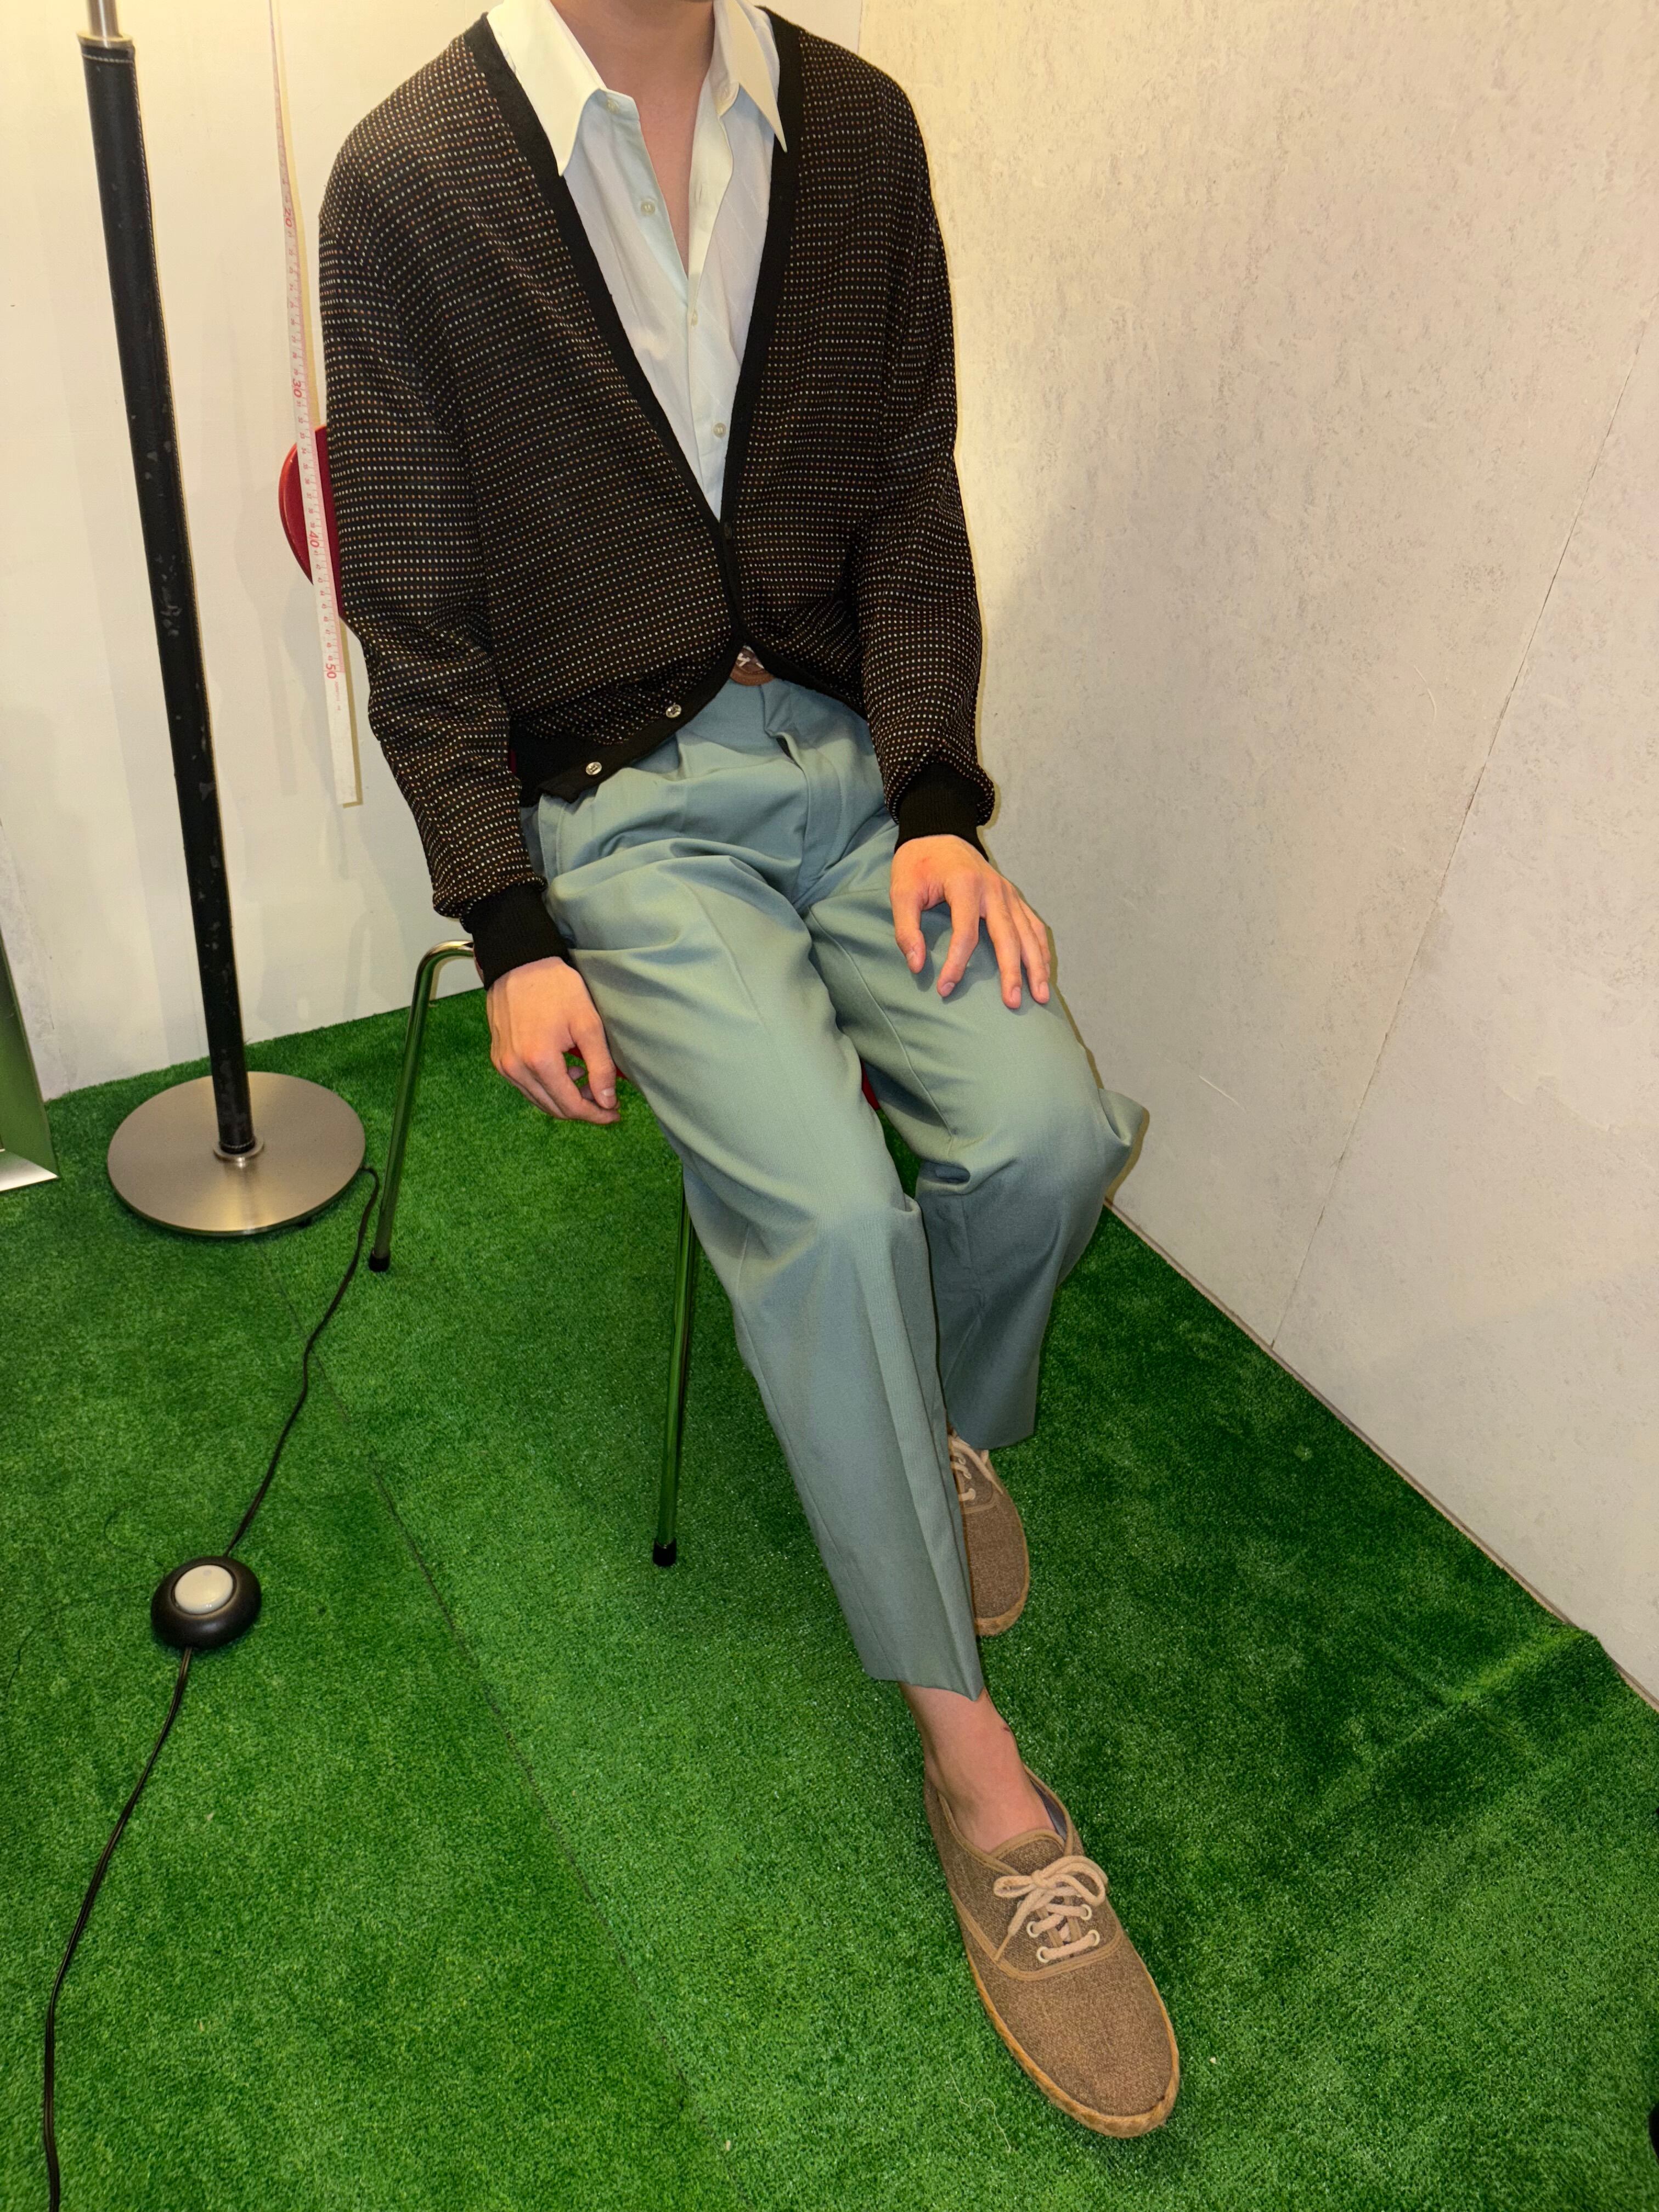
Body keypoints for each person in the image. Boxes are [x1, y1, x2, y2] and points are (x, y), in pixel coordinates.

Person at [319, 0, 1177, 2134]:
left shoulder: (857, 130)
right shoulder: (410, 180)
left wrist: (943, 800)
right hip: (616, 812)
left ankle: (930, 1434)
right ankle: (979, 1778)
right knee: (830, 1217)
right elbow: (412, 601)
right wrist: (507, 926)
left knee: (1049, 1136)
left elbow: (906, 498)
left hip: (853, 772)